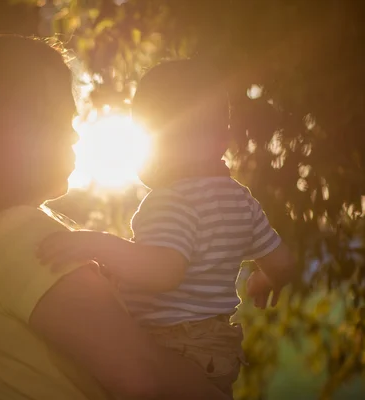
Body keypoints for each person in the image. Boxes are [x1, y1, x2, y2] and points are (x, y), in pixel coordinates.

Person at [0, 36, 228, 400]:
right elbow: (143, 377)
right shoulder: (17, 234)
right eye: (61, 118)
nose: (73, 134)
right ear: (14, 127)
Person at [38, 59, 297, 398]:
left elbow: (164, 271)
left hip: (174, 345)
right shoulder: (240, 200)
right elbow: (283, 263)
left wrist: (98, 245)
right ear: (223, 139)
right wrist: (265, 278)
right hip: (217, 349)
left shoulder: (170, 200)